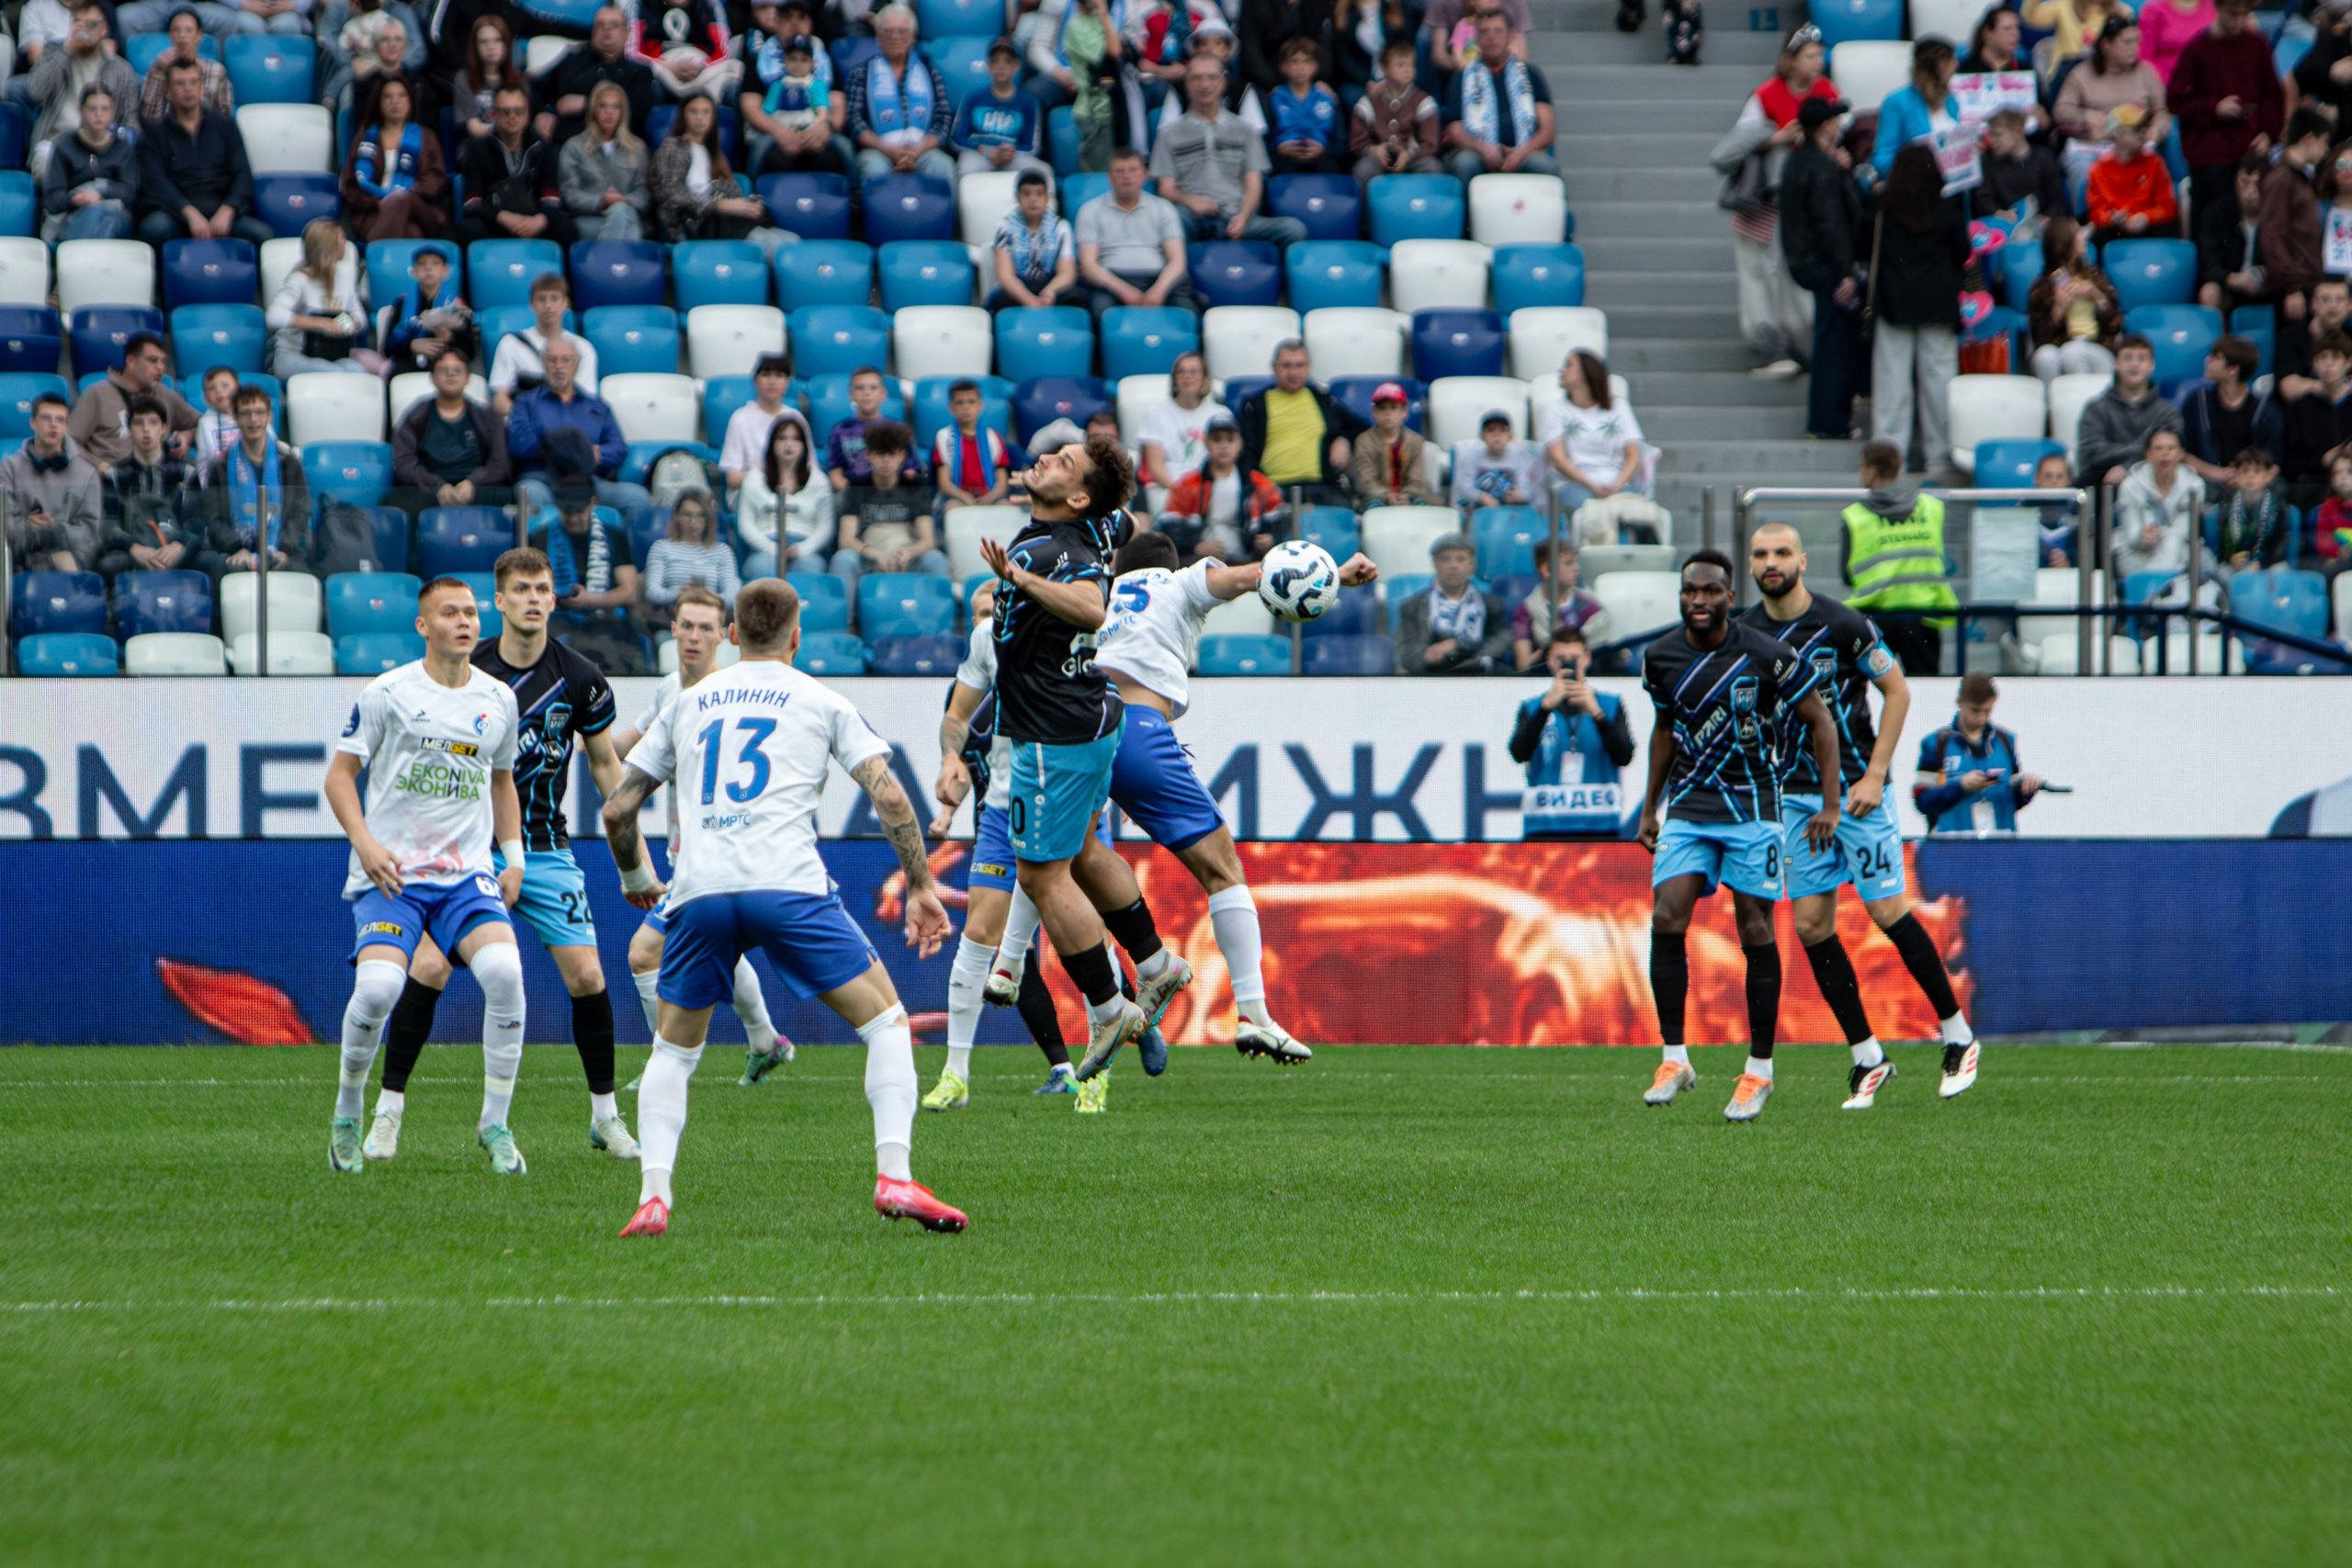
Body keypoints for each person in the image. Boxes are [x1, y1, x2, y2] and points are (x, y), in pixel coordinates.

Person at [598, 577, 963, 1237]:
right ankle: (895, 1177)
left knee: (674, 1052)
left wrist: (632, 875)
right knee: (884, 1023)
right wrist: (918, 885)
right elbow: (893, 800)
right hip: (788, 886)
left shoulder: (689, 700)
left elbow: (619, 807)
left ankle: (654, 1195)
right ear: (798, 637)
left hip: (701, 889)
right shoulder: (821, 698)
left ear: (732, 636)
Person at [366, 547, 643, 1166]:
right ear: (499, 599)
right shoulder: (472, 670)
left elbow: (606, 769)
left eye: (542, 588)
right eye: (520, 589)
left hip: (544, 848)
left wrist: (635, 861)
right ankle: (388, 1112)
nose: (533, 599)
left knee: (590, 977)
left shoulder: (581, 677)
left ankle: (605, 1117)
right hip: (464, 853)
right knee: (430, 968)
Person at [1085, 528, 1381, 1056]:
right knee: (1223, 869)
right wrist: (1333, 572)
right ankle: (1254, 1015)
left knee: (1057, 869)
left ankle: (1063, 985)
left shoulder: (1096, 601)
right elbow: (1259, 574)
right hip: (1137, 733)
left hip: (1081, 732)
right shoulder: (1175, 584)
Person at [1742, 520, 1981, 1108]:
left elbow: (1896, 691)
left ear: (1802, 559)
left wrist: (1875, 774)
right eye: (1759, 554)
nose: (1771, 562)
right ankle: (1867, 1057)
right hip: (1795, 800)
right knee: (1811, 927)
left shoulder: (1842, 622)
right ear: (1750, 565)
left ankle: (1958, 1035)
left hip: (1856, 793)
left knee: (1886, 910)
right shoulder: (1743, 633)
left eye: (1781, 552)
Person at [974, 434, 1169, 1084]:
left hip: (1054, 735)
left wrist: (1020, 578)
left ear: (1078, 495)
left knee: (1041, 878)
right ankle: (1158, 961)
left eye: (1065, 461)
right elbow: (1126, 514)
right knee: (1083, 852)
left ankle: (1109, 1006)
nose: (1050, 456)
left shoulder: (1058, 551)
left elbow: (1092, 604)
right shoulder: (1100, 525)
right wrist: (1101, 486)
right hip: (1087, 716)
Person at [320, 576, 528, 1177]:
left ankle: (495, 1123)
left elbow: (501, 781)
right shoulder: (388, 692)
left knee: (506, 974)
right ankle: (346, 1115)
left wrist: (511, 856)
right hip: (394, 877)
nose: (464, 621)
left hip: (466, 875)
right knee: (381, 989)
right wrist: (365, 842)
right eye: (448, 612)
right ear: (422, 626)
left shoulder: (498, 699)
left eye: (470, 611)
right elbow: (340, 776)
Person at [1635, 547, 1837, 1122]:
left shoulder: (1767, 654)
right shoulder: (1660, 657)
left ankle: (1759, 1071)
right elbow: (1665, 730)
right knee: (1666, 916)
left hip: (1754, 809)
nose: (1699, 600)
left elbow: (1820, 721)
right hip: (1691, 808)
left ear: (1729, 596)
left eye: (1710, 591)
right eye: (1689, 591)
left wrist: (1828, 805)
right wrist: (1651, 807)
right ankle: (1675, 1058)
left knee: (1754, 929)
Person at [604, 586, 796, 1089]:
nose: (694, 636)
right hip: (686, 857)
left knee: (644, 952)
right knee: (721, 952)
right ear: (672, 630)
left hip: (718, 857)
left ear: (725, 635)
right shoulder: (671, 689)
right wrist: (586, 735)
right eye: (686, 625)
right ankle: (765, 1040)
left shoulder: (729, 692)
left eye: (705, 627)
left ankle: (662, 1063)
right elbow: (632, 743)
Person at [925, 579, 1088, 1103]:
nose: (985, 617)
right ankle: (955, 1076)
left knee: (1080, 940)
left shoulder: (1063, 636)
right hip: (1000, 809)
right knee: (981, 932)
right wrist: (950, 765)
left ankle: (1098, 1062)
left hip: (1060, 804)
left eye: (991, 607)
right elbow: (956, 722)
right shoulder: (984, 644)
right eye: (976, 610)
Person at [1713, 25, 1837, 379]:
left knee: (1800, 280)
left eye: (1819, 56)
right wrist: (1775, 139)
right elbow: (1735, 145)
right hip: (1766, 203)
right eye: (1810, 56)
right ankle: (1766, 351)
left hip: (1809, 205)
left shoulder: (1828, 93)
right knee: (1758, 277)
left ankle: (1806, 349)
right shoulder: (1765, 95)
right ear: (1790, 59)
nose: (1818, 63)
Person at [1871, 142, 1969, 471]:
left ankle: (1888, 460)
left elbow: (1863, 247)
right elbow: (1963, 252)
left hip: (1894, 305)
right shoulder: (1949, 207)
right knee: (1939, 383)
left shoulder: (1883, 208)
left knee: (1891, 385)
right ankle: (1940, 457)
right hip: (1938, 306)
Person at [1151, 54, 1309, 247]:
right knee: (1173, 220)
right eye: (1197, 78)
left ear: (1222, 82)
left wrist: (1242, 217)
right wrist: (1191, 201)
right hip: (1193, 216)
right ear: (1187, 85)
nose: (1205, 84)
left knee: (1293, 229)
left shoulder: (1245, 130)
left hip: (1237, 214)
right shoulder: (1169, 133)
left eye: (1211, 77)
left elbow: (1253, 185)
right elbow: (1165, 189)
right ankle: (1180, 276)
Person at [1779, 96, 1863, 441]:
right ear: (1826, 126)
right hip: (1825, 265)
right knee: (1835, 344)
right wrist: (1846, 272)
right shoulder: (1822, 168)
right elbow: (1831, 224)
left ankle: (1824, 421)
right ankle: (1830, 422)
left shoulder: (1797, 161)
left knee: (1829, 341)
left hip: (1804, 261)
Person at [1839, 439, 1957, 675]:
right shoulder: (1931, 507)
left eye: (1862, 469)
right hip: (1923, 618)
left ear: (1871, 472)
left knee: (1871, 694)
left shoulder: (1855, 516)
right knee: (1926, 693)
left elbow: (1846, 575)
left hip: (1874, 621)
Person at [1508, 624, 1634, 840]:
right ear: (1550, 660)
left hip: (1599, 826)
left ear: (1586, 658)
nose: (1568, 665)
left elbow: (1624, 756)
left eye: (1574, 658)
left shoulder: (1609, 705)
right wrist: (1545, 709)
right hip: (1545, 827)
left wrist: (1596, 713)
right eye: (1561, 658)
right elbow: (1519, 753)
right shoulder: (1533, 707)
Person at [509, 339, 651, 525]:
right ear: (543, 363)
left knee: (636, 498)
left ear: (576, 365)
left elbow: (618, 449)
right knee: (529, 493)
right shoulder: (525, 403)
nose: (558, 366)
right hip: (543, 479)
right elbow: (519, 444)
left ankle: (622, 554)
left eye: (565, 360)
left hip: (590, 482)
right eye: (552, 360)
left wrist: (594, 455)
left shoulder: (597, 406)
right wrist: (570, 451)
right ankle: (538, 555)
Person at [139, 57, 275, 249]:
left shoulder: (225, 125)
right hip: (177, 213)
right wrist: (188, 213)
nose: (188, 89)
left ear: (202, 86)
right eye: (180, 83)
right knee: (153, 229)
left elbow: (243, 175)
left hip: (220, 207)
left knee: (263, 235)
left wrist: (228, 210)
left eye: (193, 82)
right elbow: (155, 183)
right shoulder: (156, 133)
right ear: (168, 90)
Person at [2169, 0, 2284, 220]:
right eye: (2233, 14)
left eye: (2244, 14)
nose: (2238, 21)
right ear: (2218, 8)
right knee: (2214, 224)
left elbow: (2273, 95)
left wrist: (2268, 134)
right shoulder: (2198, 49)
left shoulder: (2257, 45)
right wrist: (2215, 108)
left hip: (2251, 151)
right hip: (2211, 154)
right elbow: (2176, 101)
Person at [1914, 672, 2041, 868]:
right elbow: (1922, 800)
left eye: (1987, 711)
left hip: (2001, 856)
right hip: (1951, 857)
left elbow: (2013, 801)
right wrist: (1961, 786)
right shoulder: (1936, 744)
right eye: (1975, 711)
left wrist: (2026, 791)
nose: (1981, 718)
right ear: (1959, 702)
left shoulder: (2006, 742)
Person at [98, 395, 220, 584]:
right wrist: (133, 547)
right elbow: (107, 525)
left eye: (153, 423)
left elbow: (197, 522)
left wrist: (180, 545)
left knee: (213, 563)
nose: (146, 430)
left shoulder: (186, 473)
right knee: (109, 564)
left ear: (164, 429)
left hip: (176, 551)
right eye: (139, 423)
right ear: (129, 429)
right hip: (134, 551)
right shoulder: (113, 475)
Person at [529, 475, 646, 669]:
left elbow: (629, 592)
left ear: (592, 503)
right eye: (568, 512)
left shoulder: (614, 536)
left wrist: (589, 600)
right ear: (558, 506)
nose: (573, 517)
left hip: (606, 619)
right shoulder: (540, 538)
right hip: (556, 621)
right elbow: (529, 587)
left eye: (579, 511)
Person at [1440, 8, 1561, 194]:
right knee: (1464, 164)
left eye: (1498, 31)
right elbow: (1455, 130)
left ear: (1509, 36)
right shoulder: (1461, 77)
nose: (1491, 37)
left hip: (1524, 152)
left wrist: (1520, 154)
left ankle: (1560, 223)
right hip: (1479, 152)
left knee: (1545, 166)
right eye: (1485, 32)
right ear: (1477, 39)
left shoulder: (1531, 74)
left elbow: (1548, 130)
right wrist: (1485, 150)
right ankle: (1466, 223)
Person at [1235, 339, 1364, 507]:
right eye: (1287, 366)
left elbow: (1360, 426)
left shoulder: (1323, 399)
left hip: (1321, 489)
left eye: (1300, 365)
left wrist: (1343, 439)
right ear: (1274, 367)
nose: (1294, 372)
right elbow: (1244, 454)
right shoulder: (1254, 405)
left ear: (1308, 367)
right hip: (1274, 490)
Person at [199, 382, 311, 575]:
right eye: (246, 413)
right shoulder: (220, 466)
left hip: (283, 550)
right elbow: (214, 519)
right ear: (235, 417)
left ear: (270, 416)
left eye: (260, 412)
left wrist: (284, 548)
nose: (253, 419)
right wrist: (236, 548)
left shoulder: (289, 462)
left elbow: (300, 512)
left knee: (302, 570)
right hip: (236, 552)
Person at [388, 344, 514, 517]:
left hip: (477, 488)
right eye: (444, 370)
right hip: (429, 490)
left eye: (457, 370)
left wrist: (472, 484)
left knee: (510, 497)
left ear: (468, 377)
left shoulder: (487, 416)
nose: (451, 374)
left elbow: (500, 464)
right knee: (393, 501)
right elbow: (404, 463)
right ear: (432, 377)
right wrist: (437, 487)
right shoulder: (417, 414)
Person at [650, 92, 784, 254]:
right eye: (694, 111)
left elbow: (732, 191)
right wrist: (717, 206)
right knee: (771, 246)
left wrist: (749, 205)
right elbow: (671, 195)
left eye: (706, 112)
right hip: (692, 225)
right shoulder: (673, 148)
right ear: (683, 115)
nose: (700, 118)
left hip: (724, 223)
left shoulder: (715, 155)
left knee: (790, 241)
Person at [1076, 147, 1197, 321]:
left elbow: (1178, 262)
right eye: (1119, 171)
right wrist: (1125, 291)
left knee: (1187, 312)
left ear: (1144, 175)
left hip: (1159, 279)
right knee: (1101, 312)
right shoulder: (1090, 211)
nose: (1126, 177)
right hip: (1112, 280)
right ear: (1109, 176)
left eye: (1133, 170)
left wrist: (1158, 291)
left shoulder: (1164, 208)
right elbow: (1088, 267)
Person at [22, 2, 136, 181]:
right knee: (49, 172)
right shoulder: (54, 57)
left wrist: (116, 140)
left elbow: (130, 120)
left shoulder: (120, 69)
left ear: (105, 29)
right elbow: (35, 92)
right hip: (57, 142)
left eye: (91, 25)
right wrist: (66, 50)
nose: (84, 30)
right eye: (78, 23)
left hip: (103, 146)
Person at [452, 82, 573, 249]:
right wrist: (503, 217)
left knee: (565, 227)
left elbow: (551, 198)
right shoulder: (476, 149)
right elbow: (472, 202)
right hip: (495, 220)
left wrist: (540, 220)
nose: (512, 117)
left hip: (533, 219)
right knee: (468, 229)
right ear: (494, 114)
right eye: (505, 112)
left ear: (527, 115)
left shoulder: (544, 149)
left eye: (518, 111)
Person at [845, 5, 956, 186]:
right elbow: (855, 122)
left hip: (922, 149)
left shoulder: (929, 72)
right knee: (873, 168)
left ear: (912, 37)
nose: (895, 37)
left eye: (902, 31)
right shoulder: (861, 73)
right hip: (878, 150)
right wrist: (888, 150)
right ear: (878, 37)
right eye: (888, 32)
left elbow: (943, 119)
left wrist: (918, 150)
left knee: (942, 166)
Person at [1156, 410, 1287, 561]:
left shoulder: (1259, 484)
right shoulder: (1187, 485)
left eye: (1230, 440)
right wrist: (1195, 547)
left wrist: (1270, 538)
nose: (1224, 446)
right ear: (1206, 443)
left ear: (1240, 444)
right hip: (1200, 564)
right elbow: (1169, 526)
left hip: (1248, 560)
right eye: (1217, 440)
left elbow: (1280, 519)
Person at [832, 420, 948, 588]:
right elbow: (846, 540)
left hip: (906, 555)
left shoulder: (915, 486)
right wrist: (873, 553)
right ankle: (846, 615)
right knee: (843, 559)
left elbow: (928, 540)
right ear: (869, 455)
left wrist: (908, 552)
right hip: (869, 557)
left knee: (936, 560)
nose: (886, 461)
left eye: (891, 454)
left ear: (902, 456)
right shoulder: (857, 487)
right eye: (880, 454)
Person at [1, 392, 106, 573]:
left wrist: (55, 532)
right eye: (46, 418)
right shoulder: (9, 468)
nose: (53, 425)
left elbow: (90, 531)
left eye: (60, 420)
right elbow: (3, 522)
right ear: (32, 422)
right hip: (21, 551)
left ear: (66, 426)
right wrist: (26, 525)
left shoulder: (86, 472)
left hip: (69, 554)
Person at [69, 331, 198, 472]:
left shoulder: (164, 393)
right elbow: (69, 441)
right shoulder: (97, 394)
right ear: (131, 361)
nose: (161, 368)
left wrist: (189, 435)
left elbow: (206, 425)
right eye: (153, 360)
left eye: (163, 361)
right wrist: (97, 465)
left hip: (159, 480)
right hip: (112, 483)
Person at [267, 218, 381, 378]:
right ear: (329, 244)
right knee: (333, 375)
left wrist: (342, 326)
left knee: (358, 372)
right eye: (341, 237)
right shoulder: (300, 280)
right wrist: (319, 323)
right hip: (294, 356)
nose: (345, 242)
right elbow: (273, 316)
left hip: (334, 355)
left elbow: (360, 319)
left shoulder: (345, 277)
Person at [344, 75, 451, 243]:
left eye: (401, 96)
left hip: (419, 207)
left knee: (402, 199)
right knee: (412, 233)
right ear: (378, 102)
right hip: (374, 211)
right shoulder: (365, 137)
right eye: (388, 96)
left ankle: (373, 254)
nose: (395, 102)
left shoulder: (426, 136)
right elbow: (350, 184)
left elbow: (436, 178)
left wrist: (401, 196)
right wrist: (376, 203)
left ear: (410, 101)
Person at [2256, 108, 2331, 341]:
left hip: (2307, 281)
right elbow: (2272, 235)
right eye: (2324, 141)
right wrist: (2292, 287)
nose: (2326, 150)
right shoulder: (2281, 179)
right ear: (2309, 138)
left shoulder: (2302, 177)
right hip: (2294, 287)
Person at [1540, 350, 1648, 511]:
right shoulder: (1556, 409)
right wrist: (1593, 485)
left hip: (1617, 484)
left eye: (1568, 365)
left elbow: (1634, 456)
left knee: (1633, 514)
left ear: (1586, 373)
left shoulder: (1620, 406)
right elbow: (1558, 459)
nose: (1561, 370)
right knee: (1593, 513)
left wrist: (1616, 485)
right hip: (1572, 484)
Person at [538, 6, 656, 148]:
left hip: (620, 151)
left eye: (613, 25)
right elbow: (535, 89)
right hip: (569, 145)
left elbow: (638, 111)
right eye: (600, 24)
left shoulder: (640, 73)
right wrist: (538, 115)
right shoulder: (572, 61)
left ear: (627, 32)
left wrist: (587, 104)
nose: (606, 29)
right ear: (593, 30)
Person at [2025, 215, 2122, 387]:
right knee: (2044, 357)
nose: (2083, 237)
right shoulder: (2042, 287)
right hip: (2061, 348)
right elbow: (2039, 340)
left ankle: (2082, 410)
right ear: (2062, 244)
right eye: (2077, 233)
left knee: (2072, 353)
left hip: (2097, 348)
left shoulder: (2095, 277)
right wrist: (2059, 310)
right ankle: (2054, 410)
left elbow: (2115, 325)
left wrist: (2096, 295)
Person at [737, 408, 833, 578]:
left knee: (812, 567)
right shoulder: (754, 479)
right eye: (782, 438)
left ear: (804, 445)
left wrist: (803, 549)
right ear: (772, 443)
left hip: (804, 547)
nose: (789, 444)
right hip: (765, 547)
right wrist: (772, 548)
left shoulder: (819, 481)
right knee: (760, 567)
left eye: (795, 439)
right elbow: (746, 525)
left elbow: (825, 527)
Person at [1394, 532, 1509, 674]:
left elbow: (1503, 638)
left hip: (1478, 676)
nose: (1453, 566)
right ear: (1435, 564)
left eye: (1460, 559)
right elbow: (1404, 650)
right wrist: (1426, 655)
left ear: (1472, 565)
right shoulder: (1412, 606)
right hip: (1430, 677)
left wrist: (1465, 650)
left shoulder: (1491, 604)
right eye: (1445, 559)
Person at [2077, 333, 2184, 483]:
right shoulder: (2096, 409)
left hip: (2155, 487)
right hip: (2104, 487)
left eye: (2141, 359)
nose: (2134, 364)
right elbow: (2090, 453)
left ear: (2151, 365)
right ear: (2116, 364)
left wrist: (2126, 467)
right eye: (2127, 358)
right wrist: (2143, 449)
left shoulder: (2167, 413)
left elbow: (2170, 453)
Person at [2180, 335, 2282, 491]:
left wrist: (2246, 478)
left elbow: (2274, 462)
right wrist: (2216, 473)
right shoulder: (2196, 402)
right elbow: (2183, 452)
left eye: (2216, 357)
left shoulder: (2266, 411)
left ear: (2232, 370)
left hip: (2253, 487)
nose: (2208, 360)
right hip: (2206, 483)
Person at [489, 271, 601, 412]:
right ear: (531, 304)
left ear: (566, 303)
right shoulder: (511, 343)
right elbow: (500, 398)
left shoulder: (582, 348)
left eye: (554, 299)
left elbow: (586, 400)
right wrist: (524, 421)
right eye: (542, 299)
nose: (548, 306)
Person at [560, 79, 655, 240]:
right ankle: (623, 262)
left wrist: (622, 201)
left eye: (615, 107)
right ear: (593, 110)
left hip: (628, 213)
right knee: (627, 224)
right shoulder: (574, 147)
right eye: (603, 106)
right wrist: (601, 201)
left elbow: (644, 193)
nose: (609, 112)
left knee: (622, 213)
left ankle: (606, 262)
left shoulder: (637, 148)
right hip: (590, 219)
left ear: (623, 112)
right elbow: (569, 194)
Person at [2052, 16, 2170, 146]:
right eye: (2127, 42)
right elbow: (2061, 110)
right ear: (2106, 44)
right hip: (2093, 145)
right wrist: (2085, 116)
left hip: (2136, 146)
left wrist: (2157, 130)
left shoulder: (2145, 72)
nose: (2134, 48)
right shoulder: (2082, 73)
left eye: (2136, 41)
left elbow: (2162, 110)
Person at [1351, 35, 1442, 194]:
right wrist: (1373, 150)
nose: (1407, 70)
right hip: (1380, 160)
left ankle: (1424, 214)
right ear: (1384, 68)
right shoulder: (1369, 102)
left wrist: (1409, 154)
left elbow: (1430, 143)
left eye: (1411, 65)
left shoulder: (1423, 101)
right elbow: (1357, 141)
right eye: (1400, 65)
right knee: (1362, 170)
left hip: (1412, 159)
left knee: (1433, 168)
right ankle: (1368, 218)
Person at [2113, 425, 2205, 582]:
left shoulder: (2195, 485)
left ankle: (2154, 594)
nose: (2165, 453)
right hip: (2136, 551)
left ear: (2181, 453)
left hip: (2178, 550)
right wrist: (2142, 537)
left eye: (2171, 448)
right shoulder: (2130, 485)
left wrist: (2159, 534)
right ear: (2148, 453)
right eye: (2158, 448)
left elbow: (2183, 530)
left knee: (2174, 544)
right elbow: (2130, 530)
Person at [951, 35, 1046, 178]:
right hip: (979, 154)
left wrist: (1011, 153)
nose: (1001, 67)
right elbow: (956, 139)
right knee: (964, 168)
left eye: (1007, 62)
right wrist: (983, 149)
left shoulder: (1029, 102)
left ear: (1017, 66)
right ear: (988, 66)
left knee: (1043, 172)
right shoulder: (973, 98)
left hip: (1014, 156)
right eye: (995, 61)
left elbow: (1032, 146)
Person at [750, 32, 844, 175]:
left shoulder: (817, 85)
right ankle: (750, 182)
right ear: (785, 61)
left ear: (811, 63)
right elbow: (767, 112)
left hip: (811, 131)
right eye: (793, 59)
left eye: (803, 60)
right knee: (760, 147)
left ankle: (854, 186)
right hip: (782, 131)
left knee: (844, 147)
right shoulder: (777, 85)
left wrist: (811, 133)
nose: (798, 64)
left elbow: (823, 112)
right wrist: (782, 132)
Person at [1510, 536, 1611, 669]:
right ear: (1546, 570)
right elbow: (1523, 665)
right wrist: (1549, 654)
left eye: (1576, 562)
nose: (1577, 568)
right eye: (1568, 563)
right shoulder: (1526, 611)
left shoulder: (1591, 609)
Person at [1137, 351, 1229, 496]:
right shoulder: (1155, 413)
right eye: (1181, 372)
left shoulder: (1221, 415)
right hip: (1167, 487)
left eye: (1193, 371)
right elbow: (1155, 467)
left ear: (1205, 378)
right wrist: (1181, 493)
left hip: (1210, 487)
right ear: (1174, 379)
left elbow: (1226, 461)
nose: (1187, 376)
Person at [2281, 330, 2352, 511]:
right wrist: (2322, 461)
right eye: (2323, 358)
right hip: (2313, 485)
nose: (2329, 364)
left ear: (2348, 362)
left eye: (2335, 357)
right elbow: (2289, 464)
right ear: (2314, 364)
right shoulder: (2299, 407)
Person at [990, 168, 1079, 310]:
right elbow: (1005, 275)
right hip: (1018, 288)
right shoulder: (1005, 226)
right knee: (1002, 300)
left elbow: (1067, 273)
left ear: (1048, 198)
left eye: (1039, 194)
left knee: (1075, 297)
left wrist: (1049, 292)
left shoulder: (1061, 227)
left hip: (1051, 287)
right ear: (1018, 198)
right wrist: (1030, 301)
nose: (1033, 200)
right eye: (1026, 194)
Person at [381, 243, 475, 377]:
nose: (428, 269)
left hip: (446, 364)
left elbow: (470, 352)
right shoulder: (402, 302)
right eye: (422, 264)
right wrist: (411, 346)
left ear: (445, 270)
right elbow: (388, 348)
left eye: (435, 264)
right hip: (410, 363)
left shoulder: (457, 305)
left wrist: (450, 339)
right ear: (413, 271)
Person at [643, 488, 741, 614]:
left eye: (700, 516)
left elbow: (732, 596)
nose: (693, 522)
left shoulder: (723, 551)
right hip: (673, 615)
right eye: (687, 515)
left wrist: (705, 597)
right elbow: (652, 592)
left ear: (708, 519)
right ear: (677, 516)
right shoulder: (661, 547)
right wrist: (678, 593)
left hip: (711, 615)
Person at [1869, 37, 1956, 177]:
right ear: (1937, 67)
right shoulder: (1896, 102)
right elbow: (1881, 159)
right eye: (1950, 62)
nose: (1955, 67)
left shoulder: (1952, 101)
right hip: (1916, 190)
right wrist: (1915, 168)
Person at [1348, 379, 1440, 507]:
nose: (1387, 413)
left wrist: (1407, 495)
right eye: (1382, 408)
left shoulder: (1416, 441)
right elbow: (1365, 481)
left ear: (1404, 412)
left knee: (1423, 507)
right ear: (1374, 412)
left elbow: (1417, 480)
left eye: (1393, 408)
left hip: (1410, 498)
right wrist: (1387, 495)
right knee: (1374, 507)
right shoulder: (1364, 441)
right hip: (1376, 498)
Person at [2196, 155, 2267, 316]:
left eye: (2256, 184)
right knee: (2209, 292)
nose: (2249, 191)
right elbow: (2209, 264)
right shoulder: (2216, 212)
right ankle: (2218, 340)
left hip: (2270, 287)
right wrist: (2233, 279)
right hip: (2231, 285)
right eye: (2244, 182)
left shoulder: (2279, 214)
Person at [626, 0, 740, 102]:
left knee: (733, 84)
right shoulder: (642, 4)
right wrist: (667, 66)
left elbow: (724, 52)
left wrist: (701, 66)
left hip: (704, 72)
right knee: (643, 85)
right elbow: (632, 52)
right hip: (660, 73)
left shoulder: (709, 4)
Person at [718, 353, 797, 498]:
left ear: (787, 382)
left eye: (779, 376)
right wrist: (770, 480)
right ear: (755, 380)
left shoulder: (796, 418)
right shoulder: (740, 419)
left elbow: (809, 469)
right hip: (751, 495)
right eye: (766, 375)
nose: (772, 382)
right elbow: (733, 478)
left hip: (791, 494)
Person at [135, 10, 232, 128]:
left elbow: (225, 118)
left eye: (189, 30)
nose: (182, 36)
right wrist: (158, 74)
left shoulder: (216, 71)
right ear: (170, 35)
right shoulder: (158, 68)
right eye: (176, 30)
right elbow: (148, 118)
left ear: (199, 36)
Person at [827, 367, 919, 489]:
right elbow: (835, 473)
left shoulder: (897, 429)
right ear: (851, 394)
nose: (867, 393)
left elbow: (911, 470)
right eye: (860, 388)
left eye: (873, 388)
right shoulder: (840, 429)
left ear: (883, 394)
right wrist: (855, 496)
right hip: (854, 495)